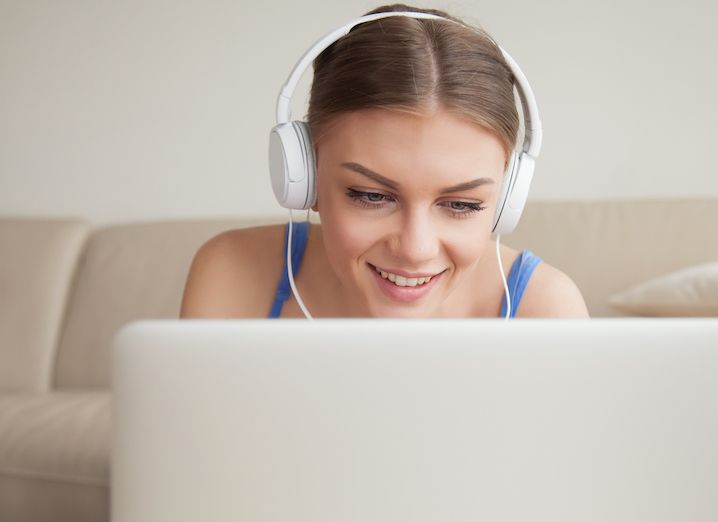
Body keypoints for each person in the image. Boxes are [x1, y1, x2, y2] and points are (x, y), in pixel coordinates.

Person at [180, 4, 589, 320]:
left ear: (505, 200)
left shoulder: (545, 309)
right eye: (371, 196)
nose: (414, 249)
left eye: (462, 205)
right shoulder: (232, 274)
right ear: (306, 177)